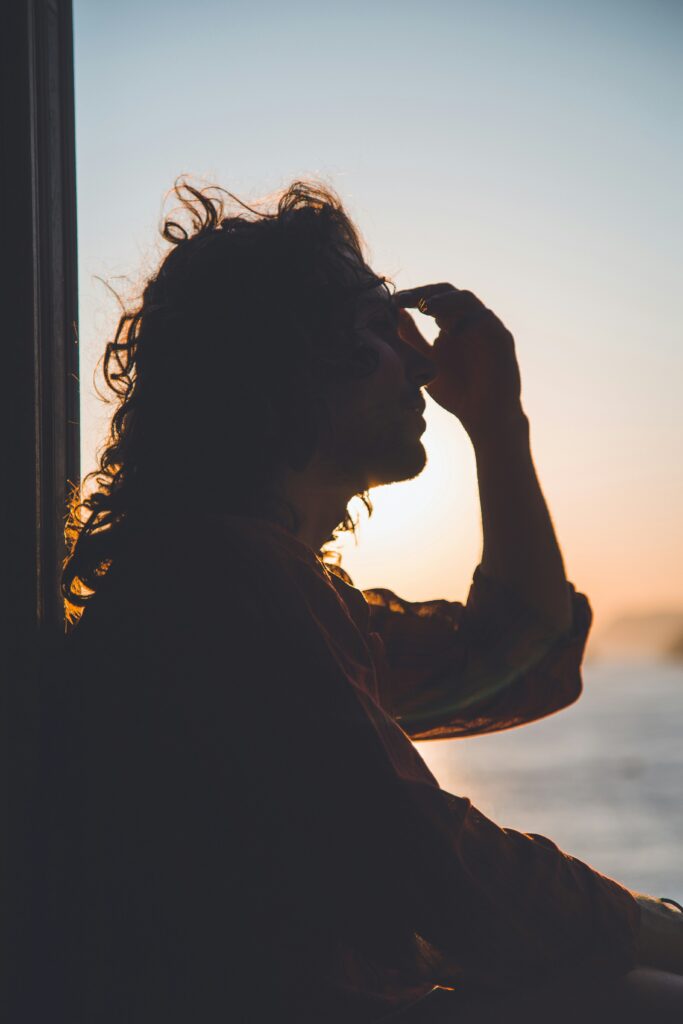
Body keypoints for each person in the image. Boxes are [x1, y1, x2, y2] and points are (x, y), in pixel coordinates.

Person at [42, 180, 683, 1023]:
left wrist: (497, 422)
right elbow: (434, 870)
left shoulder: (260, 581)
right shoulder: (223, 585)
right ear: (288, 359)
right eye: (382, 324)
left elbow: (521, 659)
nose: (422, 357)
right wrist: (657, 926)